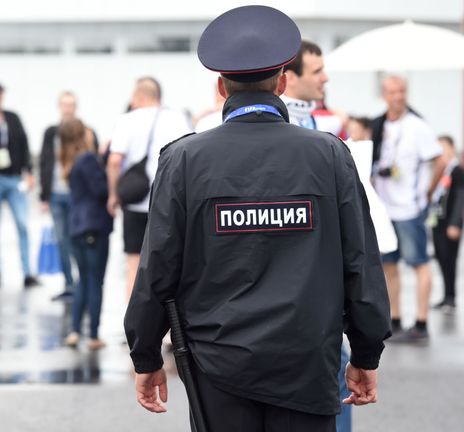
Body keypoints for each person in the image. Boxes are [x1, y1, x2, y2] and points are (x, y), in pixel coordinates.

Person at [124, 6, 391, 432]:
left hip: (217, 366)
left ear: (220, 86)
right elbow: (359, 260)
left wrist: (146, 354)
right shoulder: (328, 155)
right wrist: (365, 351)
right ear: (283, 82)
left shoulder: (184, 160)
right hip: (306, 361)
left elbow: (157, 266)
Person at [282, 39, 353, 432]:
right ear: (288, 78)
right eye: (317, 71)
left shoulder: (311, 122)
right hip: (302, 292)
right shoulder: (292, 130)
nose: (326, 78)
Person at [372, 75, 446, 343]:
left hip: (410, 209)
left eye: (402, 90)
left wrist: (427, 192)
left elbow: (440, 160)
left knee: (419, 263)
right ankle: (396, 320)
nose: (398, 96)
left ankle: (422, 322)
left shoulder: (417, 126)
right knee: (389, 266)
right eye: (392, 91)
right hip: (384, 210)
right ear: (384, 94)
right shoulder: (378, 125)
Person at [107, 77, 192, 298]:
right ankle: (169, 327)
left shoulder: (127, 120)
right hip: (169, 202)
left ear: (139, 97)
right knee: (172, 263)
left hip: (135, 202)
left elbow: (115, 161)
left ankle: (135, 327)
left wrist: (114, 195)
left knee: (134, 263)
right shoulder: (178, 119)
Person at [59, 118, 112, 350]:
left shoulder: (69, 161)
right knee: (95, 281)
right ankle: (93, 334)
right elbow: (101, 190)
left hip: (76, 226)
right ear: (82, 135)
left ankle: (74, 330)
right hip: (94, 225)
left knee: (83, 279)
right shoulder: (88, 159)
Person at [0, 82, 39, 288]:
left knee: (22, 224)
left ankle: (27, 272)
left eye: (0, 95)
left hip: (13, 178)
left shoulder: (12, 118)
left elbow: (23, 143)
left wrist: (28, 172)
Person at [40, 91, 99, 299]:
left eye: (71, 104)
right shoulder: (51, 133)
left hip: (77, 195)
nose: (68, 108)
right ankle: (69, 283)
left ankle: (84, 280)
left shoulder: (86, 132)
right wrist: (43, 195)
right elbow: (45, 161)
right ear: (59, 106)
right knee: (62, 239)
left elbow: (95, 162)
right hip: (56, 193)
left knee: (79, 239)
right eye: (64, 104)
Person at [430, 135, 462, 313]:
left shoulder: (457, 170)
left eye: (444, 146)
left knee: (450, 260)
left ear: (451, 148)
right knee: (442, 259)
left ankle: (451, 298)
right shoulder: (441, 170)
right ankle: (445, 296)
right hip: (438, 221)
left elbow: (459, 197)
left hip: (450, 223)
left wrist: (455, 223)